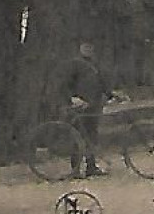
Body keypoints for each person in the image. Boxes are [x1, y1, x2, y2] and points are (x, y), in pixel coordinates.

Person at [45, 40, 113, 177]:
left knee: (91, 136)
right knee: (77, 137)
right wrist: (72, 97)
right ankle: (75, 169)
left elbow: (101, 82)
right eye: (85, 46)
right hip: (79, 106)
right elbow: (64, 84)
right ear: (79, 48)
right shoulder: (73, 64)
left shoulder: (94, 64)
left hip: (93, 105)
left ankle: (91, 167)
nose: (88, 49)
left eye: (90, 47)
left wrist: (111, 94)